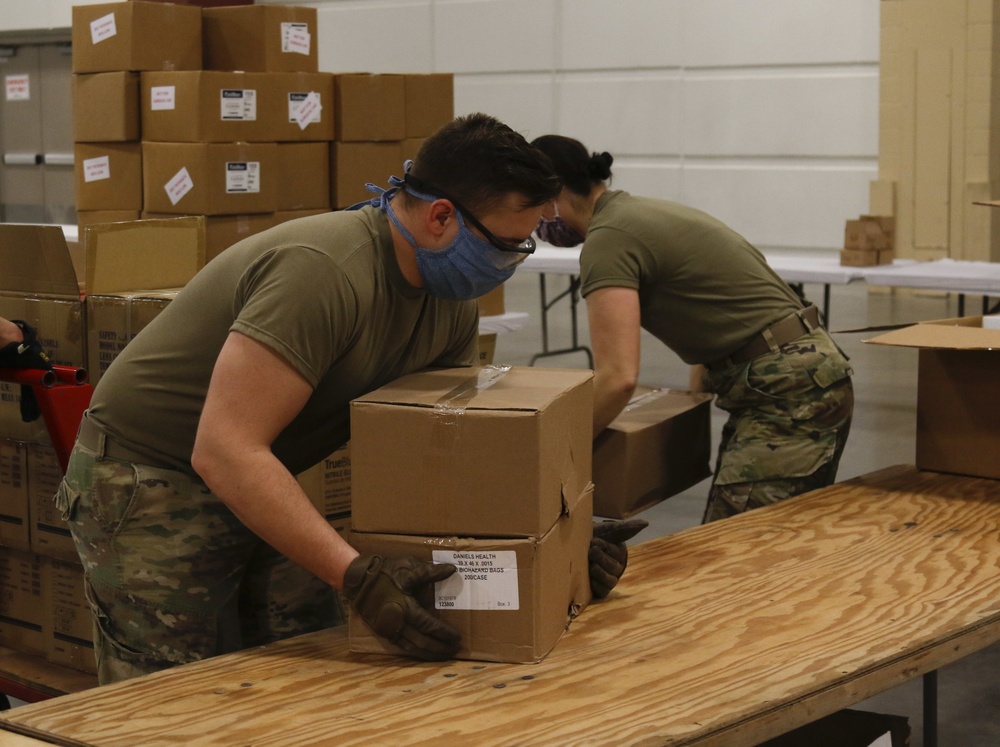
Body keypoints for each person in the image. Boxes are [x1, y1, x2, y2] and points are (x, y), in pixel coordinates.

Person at [54, 114, 639, 685]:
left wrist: (556, 535)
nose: (513, 261)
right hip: (151, 475)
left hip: (266, 466)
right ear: (441, 217)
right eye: (510, 244)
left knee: (301, 661)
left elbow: (454, 445)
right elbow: (224, 450)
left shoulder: (450, 297)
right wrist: (355, 575)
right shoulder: (324, 271)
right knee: (174, 694)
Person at [531, 134, 855, 524]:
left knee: (737, 551)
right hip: (799, 377)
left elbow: (617, 378)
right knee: (773, 540)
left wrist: (552, 455)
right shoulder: (636, 214)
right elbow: (714, 307)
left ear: (553, 194)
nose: (533, 224)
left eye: (532, 207)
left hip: (787, 394)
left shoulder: (608, 240)